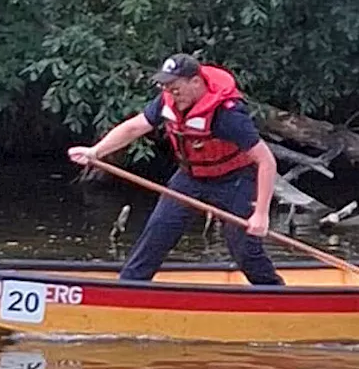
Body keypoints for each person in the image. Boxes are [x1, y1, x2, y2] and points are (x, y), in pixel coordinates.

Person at [68, 53, 285, 285]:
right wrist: (95, 152)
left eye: (175, 87)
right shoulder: (167, 102)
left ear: (195, 82)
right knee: (158, 231)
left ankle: (275, 294)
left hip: (235, 180)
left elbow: (266, 161)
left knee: (244, 249)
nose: (170, 93)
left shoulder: (228, 115)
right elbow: (134, 127)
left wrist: (260, 214)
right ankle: (130, 287)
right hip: (190, 178)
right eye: (166, 87)